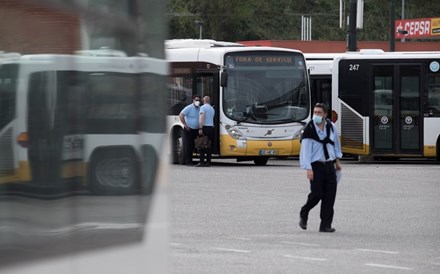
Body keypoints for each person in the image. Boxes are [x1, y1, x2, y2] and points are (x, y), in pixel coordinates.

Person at [299, 103, 342, 233]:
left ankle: (325, 225)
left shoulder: (331, 126)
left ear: (325, 114)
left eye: (319, 112)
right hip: (315, 166)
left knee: (330, 196)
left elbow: (335, 145)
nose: (316, 115)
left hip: (329, 164)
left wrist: (337, 161)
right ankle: (304, 212)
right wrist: (308, 168)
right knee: (317, 194)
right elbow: (305, 151)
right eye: (315, 112)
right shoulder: (309, 129)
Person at [179, 95, 201, 166]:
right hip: (189, 129)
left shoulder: (200, 108)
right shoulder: (189, 108)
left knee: (195, 145)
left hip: (196, 130)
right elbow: (181, 115)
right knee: (189, 145)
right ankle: (188, 161)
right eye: (196, 100)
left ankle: (193, 160)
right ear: (193, 100)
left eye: (198, 100)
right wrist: (185, 125)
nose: (197, 101)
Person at [196, 96, 215, 167]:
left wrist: (200, 128)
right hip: (211, 127)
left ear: (203, 100)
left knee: (201, 144)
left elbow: (202, 117)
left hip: (205, 127)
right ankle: (208, 162)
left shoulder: (202, 108)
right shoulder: (212, 109)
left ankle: (201, 162)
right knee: (208, 145)